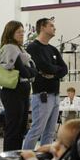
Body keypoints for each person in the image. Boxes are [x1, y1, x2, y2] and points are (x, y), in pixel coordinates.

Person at [23, 18, 68, 150]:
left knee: (49, 133)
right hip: (42, 94)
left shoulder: (53, 50)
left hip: (55, 94)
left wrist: (54, 74)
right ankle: (26, 159)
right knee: (37, 129)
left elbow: (64, 69)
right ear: (42, 27)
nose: (54, 28)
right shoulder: (33, 47)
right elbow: (43, 66)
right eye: (51, 25)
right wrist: (55, 70)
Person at [0, 21, 37, 152]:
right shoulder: (10, 48)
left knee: (21, 128)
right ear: (11, 32)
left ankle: (16, 156)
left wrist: (31, 71)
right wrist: (31, 71)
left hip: (23, 89)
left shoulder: (20, 48)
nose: (22, 34)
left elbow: (30, 70)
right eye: (19, 32)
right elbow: (25, 71)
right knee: (13, 128)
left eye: (23, 32)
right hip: (13, 90)